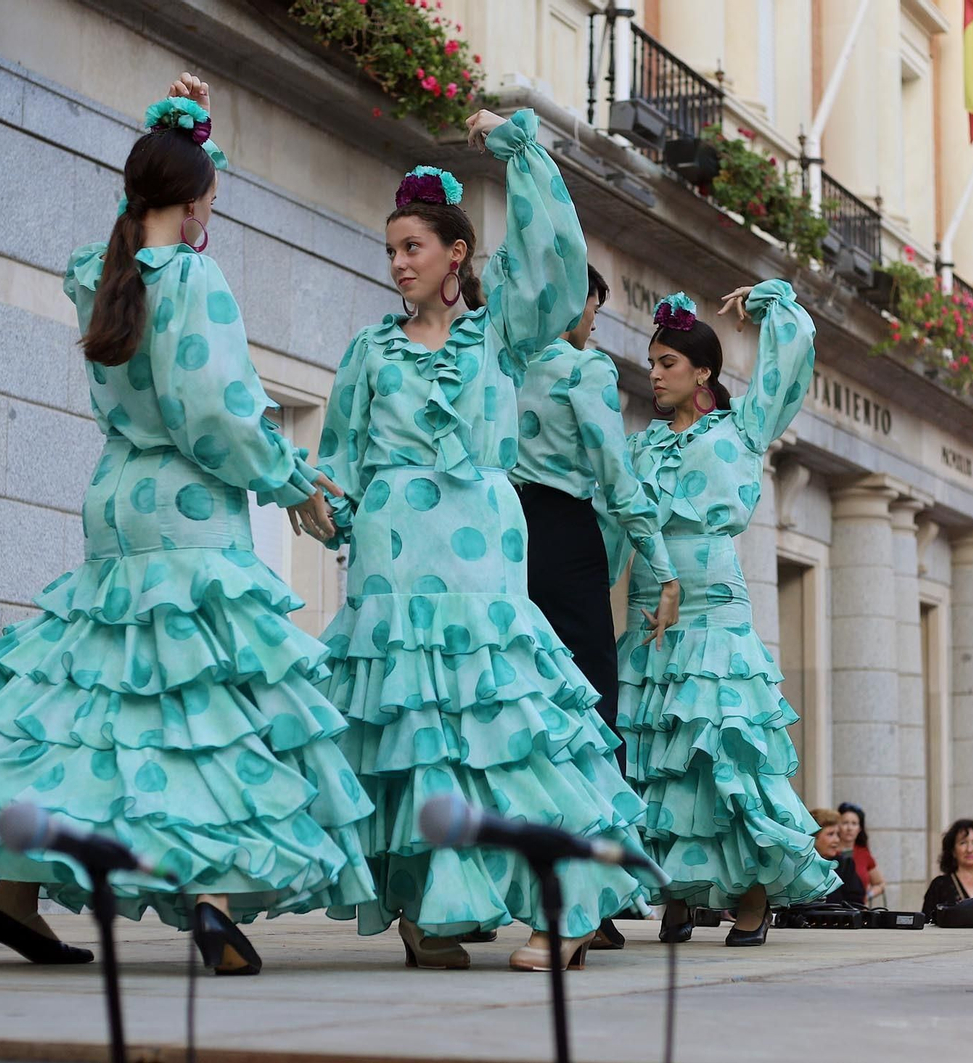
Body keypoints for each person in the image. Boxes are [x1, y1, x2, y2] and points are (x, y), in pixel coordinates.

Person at [0, 75, 375, 975]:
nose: (212, 215)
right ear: (192, 207)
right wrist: (294, 482)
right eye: (210, 199)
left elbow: (143, 214)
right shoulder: (193, 274)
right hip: (187, 512)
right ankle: (213, 899)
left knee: (93, 708)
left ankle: (12, 900)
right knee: (203, 705)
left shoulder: (101, 271)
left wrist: (173, 130)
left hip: (115, 503)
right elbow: (218, 411)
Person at [307, 107, 643, 973]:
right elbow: (337, 455)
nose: (397, 264)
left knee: (505, 725)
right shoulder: (368, 350)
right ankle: (430, 907)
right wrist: (319, 499)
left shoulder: (501, 335)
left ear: (456, 254)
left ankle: (564, 901)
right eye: (390, 250)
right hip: (388, 563)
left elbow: (560, 267)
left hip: (479, 554)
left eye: (412, 247)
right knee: (409, 729)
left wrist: (523, 152)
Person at [615, 285, 839, 949]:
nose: (654, 375)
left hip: (714, 608)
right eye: (652, 363)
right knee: (659, 756)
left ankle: (752, 893)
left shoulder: (742, 431)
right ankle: (679, 891)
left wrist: (773, 302)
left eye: (667, 363)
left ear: (703, 371)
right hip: (650, 606)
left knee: (721, 754)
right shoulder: (640, 447)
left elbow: (794, 351)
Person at [512, 261, 680, 952]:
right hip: (566, 538)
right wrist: (661, 567)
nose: (592, 322)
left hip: (503, 535)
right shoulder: (584, 369)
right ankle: (589, 896)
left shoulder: (500, 359)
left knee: (524, 712)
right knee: (586, 715)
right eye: (592, 306)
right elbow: (617, 476)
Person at [810, 808, 866, 906]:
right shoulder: (799, 866)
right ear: (814, 837)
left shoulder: (845, 866)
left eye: (838, 834)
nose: (836, 840)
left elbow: (856, 904)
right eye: (830, 834)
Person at [838, 801, 885, 905]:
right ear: (838, 826)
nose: (849, 828)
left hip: (859, 911)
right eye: (845, 823)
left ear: (859, 829)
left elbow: (880, 883)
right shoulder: (830, 852)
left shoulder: (863, 853)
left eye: (854, 823)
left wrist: (867, 895)